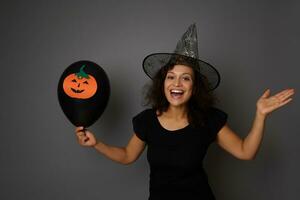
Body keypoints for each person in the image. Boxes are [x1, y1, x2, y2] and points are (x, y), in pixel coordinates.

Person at [74, 24, 295, 199]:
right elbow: (127, 156)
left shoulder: (209, 120)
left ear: (194, 87)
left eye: (185, 77)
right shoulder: (147, 121)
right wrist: (97, 144)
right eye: (171, 76)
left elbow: (246, 152)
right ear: (163, 83)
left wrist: (260, 115)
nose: (176, 83)